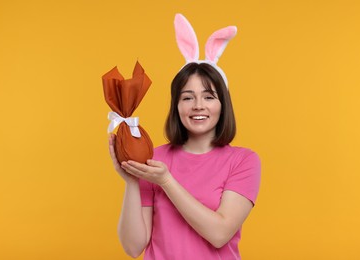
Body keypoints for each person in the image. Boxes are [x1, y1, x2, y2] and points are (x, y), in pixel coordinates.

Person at [108, 14, 261, 260]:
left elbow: (219, 233)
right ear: (176, 106)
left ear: (223, 105)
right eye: (187, 97)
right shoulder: (153, 159)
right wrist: (132, 182)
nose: (198, 105)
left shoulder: (244, 161)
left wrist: (166, 181)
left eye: (209, 97)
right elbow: (133, 247)